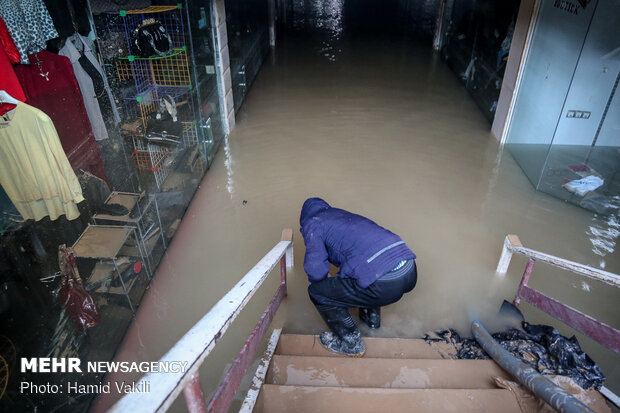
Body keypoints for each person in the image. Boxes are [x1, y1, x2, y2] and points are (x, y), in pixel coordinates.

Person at [300, 197, 417, 357]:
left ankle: (350, 342)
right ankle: (371, 326)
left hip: (384, 284)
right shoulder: (340, 215)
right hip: (408, 269)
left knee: (318, 292)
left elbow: (315, 270)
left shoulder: (312, 223)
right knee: (364, 273)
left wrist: (329, 291)